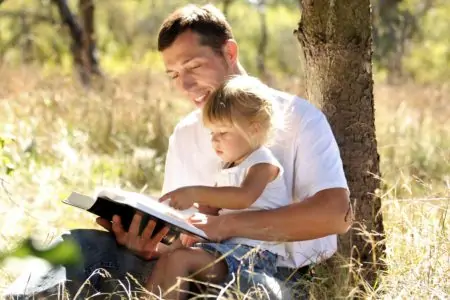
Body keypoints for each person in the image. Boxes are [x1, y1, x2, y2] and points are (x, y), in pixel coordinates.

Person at [5, 4, 352, 300]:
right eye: (173, 75)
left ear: (229, 53)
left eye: (194, 67)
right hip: (185, 267)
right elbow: (181, 234)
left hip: (272, 275)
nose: (184, 86)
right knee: (77, 244)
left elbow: (334, 215)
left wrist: (226, 225)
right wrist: (145, 244)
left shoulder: (297, 117)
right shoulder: (186, 133)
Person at [147, 75, 291, 299]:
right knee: (170, 256)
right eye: (212, 133)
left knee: (180, 259)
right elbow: (211, 210)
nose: (215, 141)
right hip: (227, 250)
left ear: (253, 129)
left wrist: (194, 192)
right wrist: (187, 225)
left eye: (223, 133)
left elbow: (244, 197)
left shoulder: (263, 163)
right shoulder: (227, 168)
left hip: (255, 256)